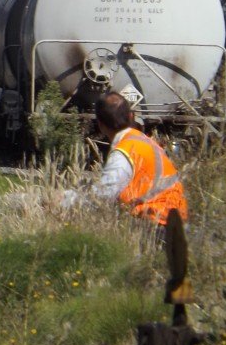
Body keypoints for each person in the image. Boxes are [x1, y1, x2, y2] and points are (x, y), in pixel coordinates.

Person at [75, 91, 188, 238]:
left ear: (100, 125)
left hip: (156, 225)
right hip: (176, 220)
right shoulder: (144, 141)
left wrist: (66, 200)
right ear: (131, 116)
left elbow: (103, 195)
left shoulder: (124, 153)